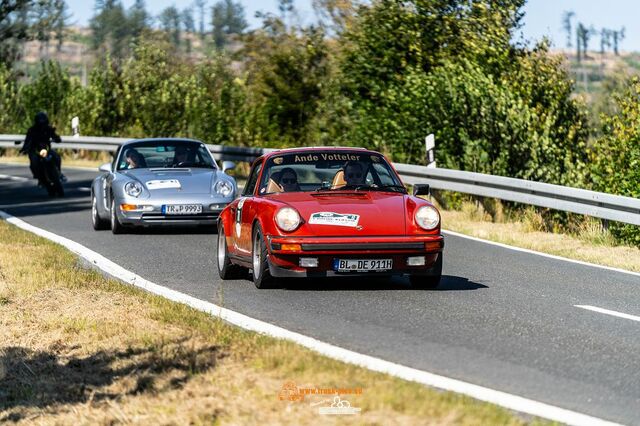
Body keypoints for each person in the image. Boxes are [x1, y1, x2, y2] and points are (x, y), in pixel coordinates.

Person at [21, 112, 64, 181]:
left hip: (46, 149)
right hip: (35, 150)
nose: (42, 124)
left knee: (57, 157)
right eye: (40, 122)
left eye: (43, 122)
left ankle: (58, 172)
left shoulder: (49, 129)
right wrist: (24, 149)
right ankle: (38, 175)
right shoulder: (32, 130)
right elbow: (27, 140)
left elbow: (55, 136)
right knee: (34, 161)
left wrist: (57, 139)